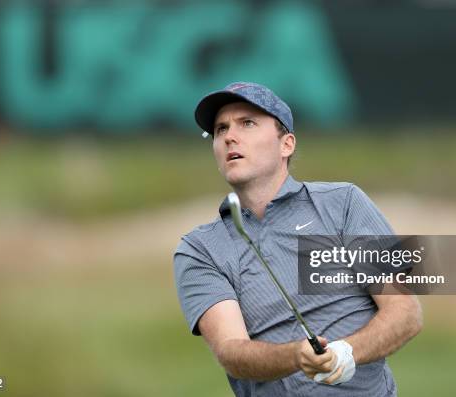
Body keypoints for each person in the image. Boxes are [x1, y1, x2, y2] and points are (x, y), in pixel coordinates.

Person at [174, 82, 422, 396]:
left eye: (247, 123)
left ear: (286, 144)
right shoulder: (200, 248)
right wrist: (297, 356)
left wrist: (346, 352)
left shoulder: (342, 204)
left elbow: (405, 312)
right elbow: (231, 352)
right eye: (220, 129)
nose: (229, 137)